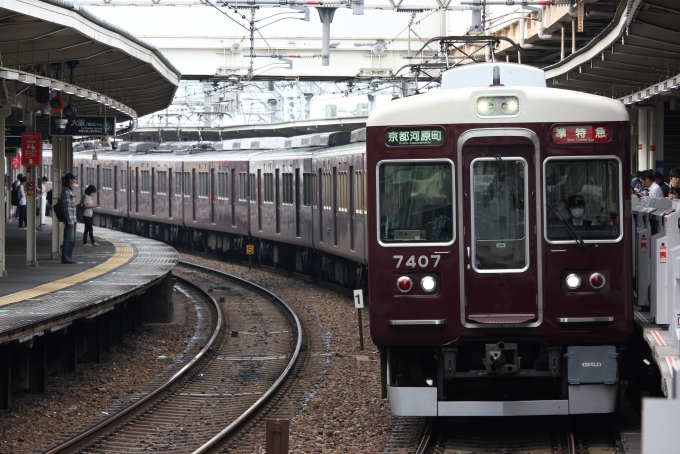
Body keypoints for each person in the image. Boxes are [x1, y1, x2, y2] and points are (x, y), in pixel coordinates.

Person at [61, 173, 78, 264]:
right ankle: (66, 257)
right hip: (70, 219)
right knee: (69, 239)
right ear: (70, 180)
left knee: (72, 239)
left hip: (73, 219)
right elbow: (67, 207)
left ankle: (68, 257)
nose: (75, 180)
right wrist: (70, 221)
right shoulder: (66, 192)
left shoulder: (69, 191)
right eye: (74, 178)